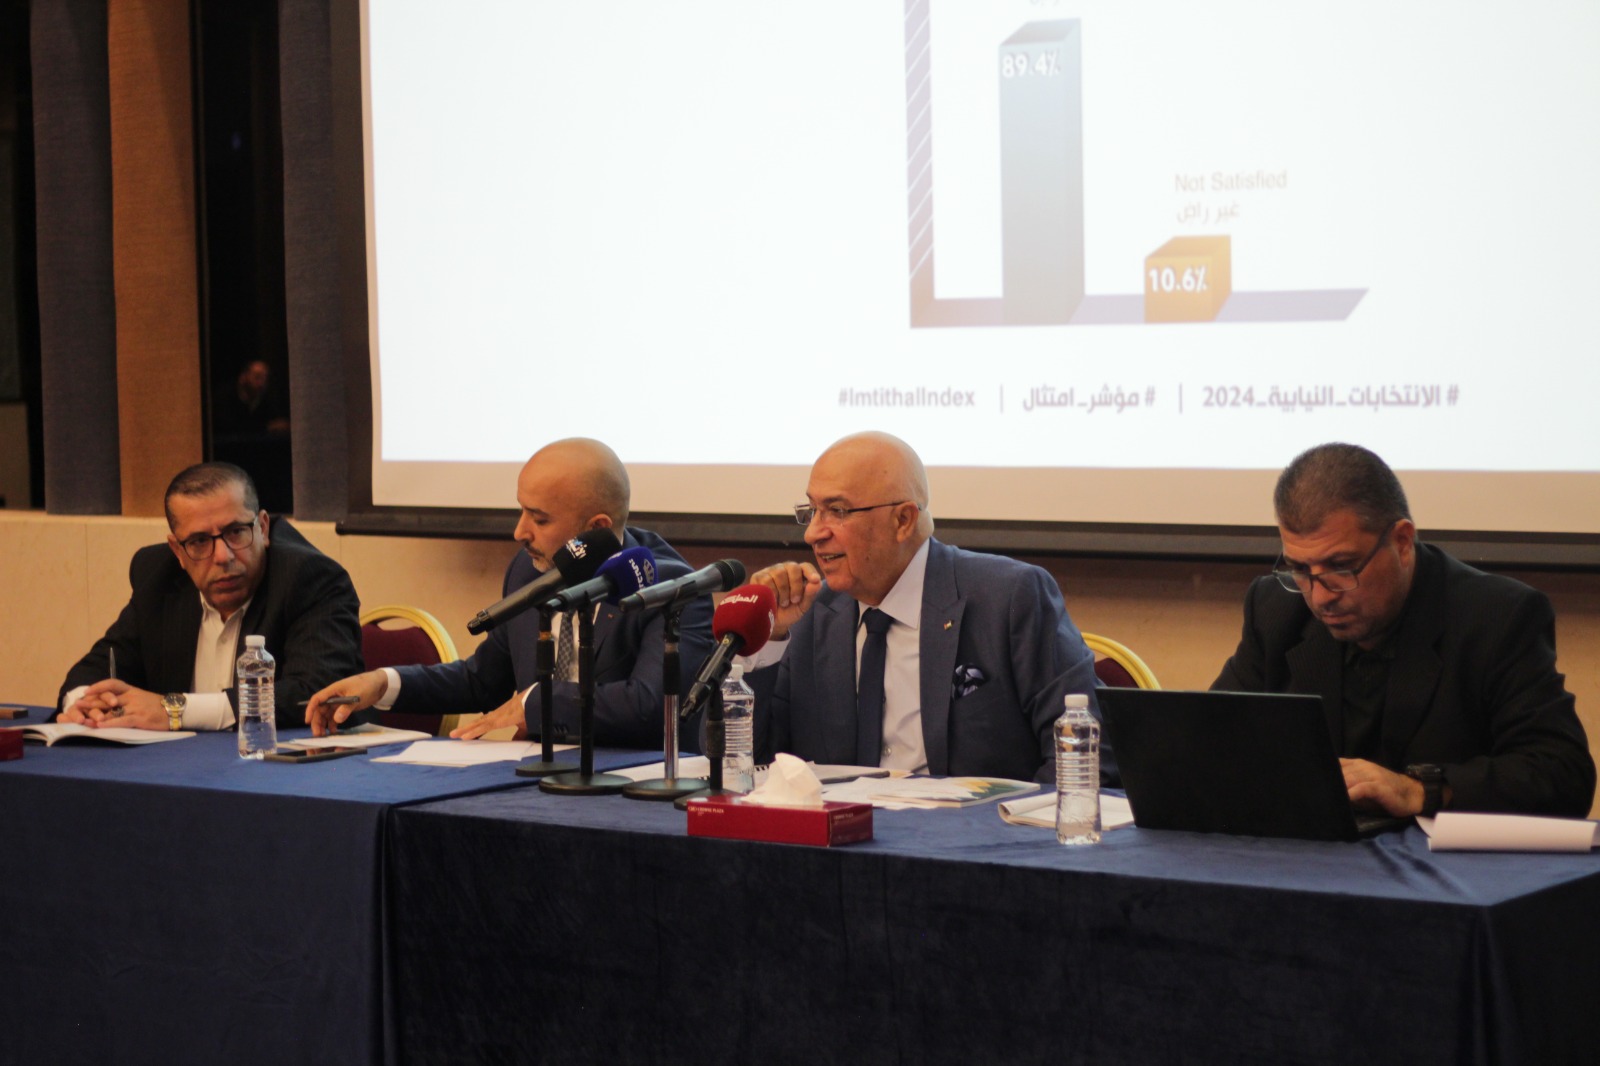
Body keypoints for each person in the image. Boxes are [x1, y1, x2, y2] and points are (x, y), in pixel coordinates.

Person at [1214, 442, 1594, 817]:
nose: (1319, 596)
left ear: (1402, 542)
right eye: (1300, 569)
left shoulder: (1497, 617)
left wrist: (1420, 790)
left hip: (1438, 855)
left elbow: (1562, 774)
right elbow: (1210, 742)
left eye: (1341, 566)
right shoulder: (1276, 609)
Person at [305, 438, 714, 748]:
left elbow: (650, 707)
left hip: (629, 788)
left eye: (539, 519)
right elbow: (483, 680)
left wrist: (537, 703)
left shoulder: (671, 589)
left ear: (596, 528)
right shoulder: (528, 569)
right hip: (535, 777)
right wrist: (384, 682)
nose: (519, 532)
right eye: (521, 510)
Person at [745, 431, 1102, 783]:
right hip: (844, 820)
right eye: (812, 511)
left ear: (903, 520)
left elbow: (1089, 756)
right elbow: (749, 768)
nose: (813, 534)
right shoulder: (810, 615)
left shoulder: (1008, 597)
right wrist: (769, 637)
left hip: (977, 820)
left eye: (837, 511)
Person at [56, 462, 363, 731]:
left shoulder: (309, 578)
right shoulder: (158, 578)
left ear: (263, 528)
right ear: (177, 551)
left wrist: (173, 711)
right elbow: (98, 666)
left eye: (236, 532)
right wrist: (85, 704)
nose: (222, 556)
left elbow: (315, 693)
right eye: (200, 541)